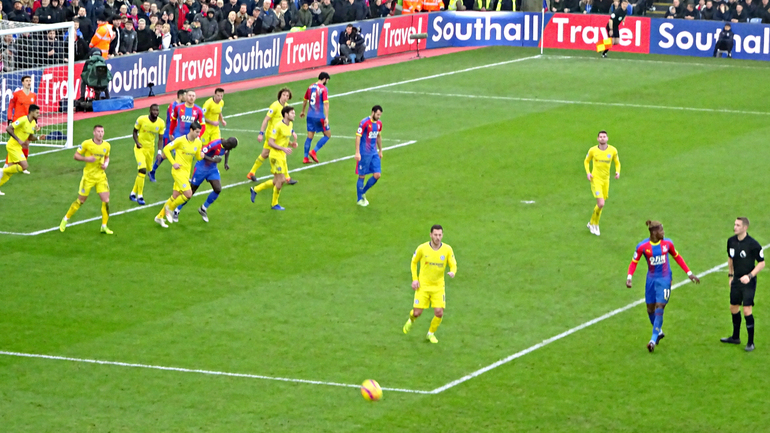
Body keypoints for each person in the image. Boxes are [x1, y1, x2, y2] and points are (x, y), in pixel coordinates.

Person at [626, 220, 700, 353]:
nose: (663, 232)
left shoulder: (668, 244)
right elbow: (634, 262)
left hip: (665, 279)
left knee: (660, 306)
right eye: (661, 230)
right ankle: (659, 332)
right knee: (650, 309)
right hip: (651, 279)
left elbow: (677, 257)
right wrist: (629, 277)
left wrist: (689, 273)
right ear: (654, 232)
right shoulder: (642, 246)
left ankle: (652, 340)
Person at [403, 224, 457, 344]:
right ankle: (411, 320)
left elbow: (453, 263)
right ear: (431, 235)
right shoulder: (422, 248)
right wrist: (415, 279)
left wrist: (453, 272)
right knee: (417, 313)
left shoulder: (447, 249)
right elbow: (413, 262)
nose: (438, 237)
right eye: (435, 235)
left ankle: (430, 334)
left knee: (439, 312)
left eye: (440, 235)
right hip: (423, 286)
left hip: (438, 287)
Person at [58, 125, 112, 234]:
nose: (100, 133)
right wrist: (87, 159)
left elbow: (107, 157)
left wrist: (106, 164)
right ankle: (65, 219)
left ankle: (104, 226)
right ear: (94, 133)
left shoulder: (107, 145)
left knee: (106, 201)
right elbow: (76, 156)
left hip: (101, 176)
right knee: (81, 201)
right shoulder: (86, 144)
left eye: (102, 131)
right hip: (88, 177)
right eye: (98, 131)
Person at [722, 218, 764, 352]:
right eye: (734, 224)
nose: (735, 227)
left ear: (745, 228)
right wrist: (730, 275)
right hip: (736, 280)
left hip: (749, 282)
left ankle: (750, 342)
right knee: (733, 308)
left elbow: (762, 263)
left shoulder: (753, 244)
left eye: (738, 225)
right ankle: (735, 337)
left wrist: (750, 276)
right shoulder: (731, 241)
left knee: (747, 310)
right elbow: (730, 258)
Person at [174, 137, 238, 223]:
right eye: (231, 148)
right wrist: (213, 160)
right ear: (228, 144)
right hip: (201, 168)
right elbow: (201, 154)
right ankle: (176, 210)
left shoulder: (226, 147)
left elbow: (227, 151)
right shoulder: (214, 144)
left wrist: (225, 163)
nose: (231, 149)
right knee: (191, 191)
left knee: (217, 189)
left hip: (212, 169)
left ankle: (203, 209)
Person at [154, 121, 204, 228]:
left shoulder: (198, 142)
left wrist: (201, 156)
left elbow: (197, 156)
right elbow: (166, 149)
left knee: (175, 195)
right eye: (196, 132)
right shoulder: (180, 140)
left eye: (199, 132)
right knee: (188, 194)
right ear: (191, 130)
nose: (198, 134)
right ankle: (170, 209)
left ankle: (159, 217)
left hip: (186, 172)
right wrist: (173, 162)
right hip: (178, 171)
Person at [250, 106, 297, 211]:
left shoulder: (290, 124)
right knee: (281, 180)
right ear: (286, 114)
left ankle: (255, 189)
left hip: (282, 155)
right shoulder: (278, 126)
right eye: (292, 113)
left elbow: (283, 139)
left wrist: (291, 144)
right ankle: (274, 204)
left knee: (276, 181)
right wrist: (283, 148)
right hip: (275, 156)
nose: (294, 115)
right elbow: (271, 142)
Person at [247, 87, 297, 185]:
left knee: (269, 154)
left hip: (280, 136)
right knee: (276, 154)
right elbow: (266, 119)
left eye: (287, 96)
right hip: (272, 136)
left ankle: (252, 172)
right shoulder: (274, 106)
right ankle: (287, 178)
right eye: (284, 95)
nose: (285, 97)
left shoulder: (287, 107)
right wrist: (261, 133)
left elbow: (286, 122)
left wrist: (292, 131)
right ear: (280, 95)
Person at [0, 104, 43, 195]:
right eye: (37, 112)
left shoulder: (33, 123)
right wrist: (18, 139)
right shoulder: (23, 120)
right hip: (12, 146)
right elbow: (8, 128)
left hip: (17, 147)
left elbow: (30, 136)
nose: (39, 114)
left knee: (9, 172)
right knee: (24, 166)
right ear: (31, 112)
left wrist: (39, 138)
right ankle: (1, 170)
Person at [584, 130, 620, 236]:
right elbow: (586, 161)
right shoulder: (593, 150)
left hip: (606, 180)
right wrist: (588, 173)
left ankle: (591, 223)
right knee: (601, 203)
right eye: (600, 137)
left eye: (604, 136)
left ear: (607, 138)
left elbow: (617, 162)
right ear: (598, 139)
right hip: (596, 179)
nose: (602, 138)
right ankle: (595, 224)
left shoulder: (612, 150)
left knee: (601, 205)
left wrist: (617, 172)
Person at [130, 104, 165, 205]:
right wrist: (137, 142)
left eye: (157, 111)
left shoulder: (161, 123)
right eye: (153, 110)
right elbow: (134, 132)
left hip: (150, 150)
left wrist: (159, 152)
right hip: (140, 148)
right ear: (149, 110)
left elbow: (160, 138)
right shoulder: (141, 119)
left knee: (143, 173)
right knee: (142, 169)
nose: (155, 112)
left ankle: (132, 193)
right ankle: (140, 196)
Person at [149, 89, 186, 181]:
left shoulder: (177, 106)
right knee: (164, 155)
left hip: (176, 134)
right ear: (181, 96)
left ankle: (182, 175)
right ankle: (152, 171)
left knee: (181, 153)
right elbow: (173, 120)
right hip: (170, 134)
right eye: (185, 96)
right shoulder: (174, 106)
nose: (186, 97)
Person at [5, 75, 36, 170]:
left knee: (26, 143)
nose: (29, 82)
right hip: (17, 122)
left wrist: (36, 121)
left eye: (30, 81)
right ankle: (7, 164)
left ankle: (23, 166)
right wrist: (9, 119)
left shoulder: (33, 96)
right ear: (22, 82)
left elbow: (34, 110)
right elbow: (10, 107)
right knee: (15, 143)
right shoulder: (16, 94)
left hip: (28, 123)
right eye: (27, 81)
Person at [300, 72, 331, 164]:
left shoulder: (310, 87)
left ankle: (305, 157)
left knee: (309, 137)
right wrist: (327, 117)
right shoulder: (323, 89)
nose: (327, 82)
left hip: (310, 115)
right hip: (319, 116)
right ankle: (314, 151)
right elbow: (326, 103)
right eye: (327, 80)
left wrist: (303, 111)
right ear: (324, 79)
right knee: (327, 135)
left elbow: (305, 100)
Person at [355, 105, 383, 207]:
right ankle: (359, 199)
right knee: (362, 175)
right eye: (378, 114)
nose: (379, 117)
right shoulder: (364, 122)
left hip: (374, 153)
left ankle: (363, 191)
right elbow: (358, 137)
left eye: (380, 115)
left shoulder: (379, 124)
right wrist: (357, 152)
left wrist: (380, 150)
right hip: (364, 153)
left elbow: (378, 136)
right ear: (373, 112)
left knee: (377, 175)